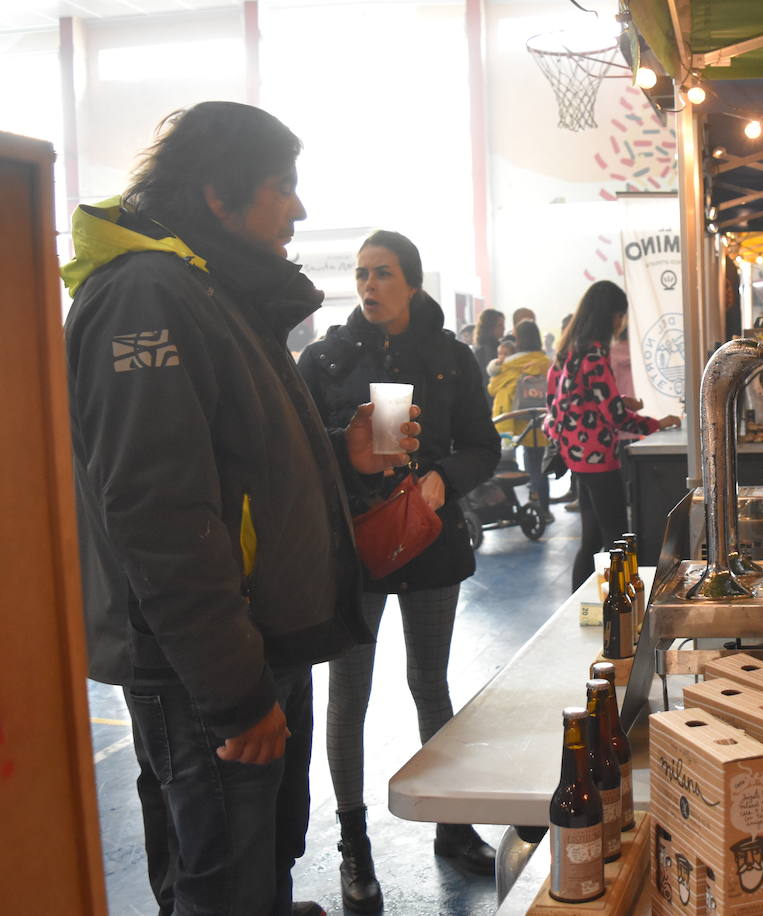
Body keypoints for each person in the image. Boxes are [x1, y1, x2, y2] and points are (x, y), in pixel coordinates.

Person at [63, 101, 420, 916]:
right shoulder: (146, 296)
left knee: (258, 863)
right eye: (281, 187)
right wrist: (234, 693)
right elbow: (159, 514)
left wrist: (341, 452)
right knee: (223, 879)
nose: (299, 209)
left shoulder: (205, 290)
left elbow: (235, 466)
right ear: (218, 195)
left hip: (253, 645)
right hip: (206, 668)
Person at [297, 230, 502, 911]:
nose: (368, 286)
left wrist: (445, 477)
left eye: (382, 274)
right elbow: (298, 453)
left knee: (431, 682)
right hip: (354, 551)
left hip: (431, 544)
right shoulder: (325, 359)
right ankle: (354, 844)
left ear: (412, 283)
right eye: (360, 275)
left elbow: (484, 445)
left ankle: (452, 822)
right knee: (347, 697)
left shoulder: (450, 358)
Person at [547, 280, 679, 591]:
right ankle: (621, 608)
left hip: (576, 457)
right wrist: (657, 424)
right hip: (598, 459)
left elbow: (570, 402)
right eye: (620, 315)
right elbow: (614, 417)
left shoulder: (569, 352)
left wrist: (619, 402)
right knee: (619, 540)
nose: (621, 323)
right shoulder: (594, 354)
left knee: (591, 539)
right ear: (610, 316)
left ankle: (578, 606)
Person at [490, 319, 555, 520]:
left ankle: (512, 507)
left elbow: (493, 388)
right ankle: (543, 507)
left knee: (511, 463)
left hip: (515, 421)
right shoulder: (548, 363)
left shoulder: (510, 364)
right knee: (539, 462)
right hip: (542, 419)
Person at [473, 307, 506, 397]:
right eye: (500, 325)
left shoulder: (500, 347)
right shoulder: (483, 351)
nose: (504, 328)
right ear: (489, 327)